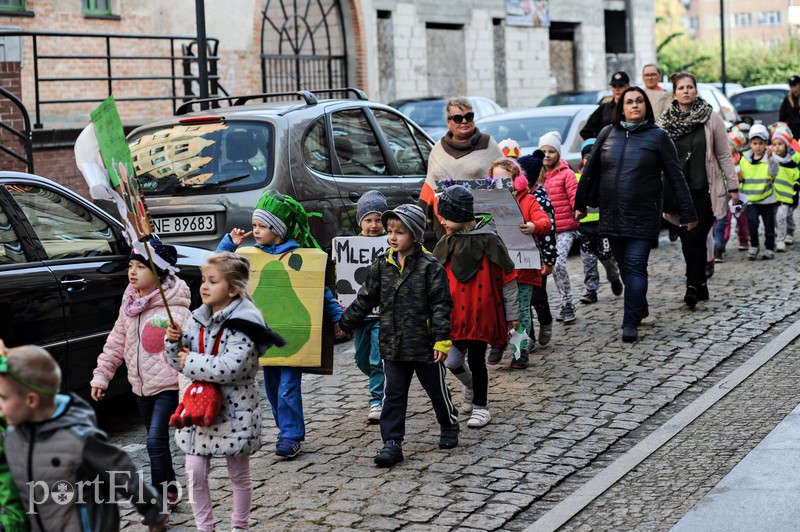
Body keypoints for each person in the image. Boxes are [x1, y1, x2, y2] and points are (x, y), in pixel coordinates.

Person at [217, 189, 343, 459]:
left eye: (262, 226)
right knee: (273, 390)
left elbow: (319, 292)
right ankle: (284, 428)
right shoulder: (251, 258)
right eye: (254, 225)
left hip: (293, 338)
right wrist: (230, 242)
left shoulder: (301, 257)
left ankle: (290, 435)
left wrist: (340, 319)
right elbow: (219, 267)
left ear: (278, 229)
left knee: (287, 388)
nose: (257, 231)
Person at [165, 252, 284, 532]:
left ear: (232, 289)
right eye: (204, 280)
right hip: (199, 409)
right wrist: (173, 343)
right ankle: (205, 528)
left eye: (213, 281)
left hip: (234, 409)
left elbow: (233, 367)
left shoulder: (246, 323)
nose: (204, 286)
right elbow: (178, 362)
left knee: (238, 474)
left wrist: (190, 361)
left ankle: (239, 526)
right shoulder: (197, 319)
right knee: (194, 473)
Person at [336, 205, 458, 467]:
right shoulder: (382, 265)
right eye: (390, 231)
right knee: (392, 395)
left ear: (414, 235)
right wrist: (345, 323)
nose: (392, 237)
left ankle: (448, 423)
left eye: (399, 232)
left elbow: (441, 305)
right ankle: (392, 443)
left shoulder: (429, 267)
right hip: (392, 344)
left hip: (425, 345)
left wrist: (441, 340)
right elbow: (366, 298)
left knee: (436, 391)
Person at [0, 344, 168, 532]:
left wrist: (153, 510)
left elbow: (121, 472)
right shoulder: (11, 437)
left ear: (31, 400)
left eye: (3, 397)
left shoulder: (78, 438)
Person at [575, 86, 697, 342]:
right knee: (624, 266)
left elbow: (676, 177)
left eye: (639, 101)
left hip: (643, 215)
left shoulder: (658, 137)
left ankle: (629, 323)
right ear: (621, 108)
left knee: (635, 266)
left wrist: (687, 212)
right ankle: (638, 306)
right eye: (629, 102)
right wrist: (580, 203)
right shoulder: (608, 133)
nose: (634, 105)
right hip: (611, 214)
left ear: (646, 106)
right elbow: (590, 171)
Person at [90, 239, 191, 511]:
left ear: (158, 273)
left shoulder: (175, 309)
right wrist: (102, 376)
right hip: (140, 388)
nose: (132, 272)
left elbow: (190, 346)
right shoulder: (130, 307)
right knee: (155, 441)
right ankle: (170, 485)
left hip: (168, 386)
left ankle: (158, 498)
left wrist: (178, 337)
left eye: (140, 267)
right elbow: (115, 344)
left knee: (155, 439)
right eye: (130, 266)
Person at [433, 185, 520, 427]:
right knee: (451, 361)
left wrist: (513, 314)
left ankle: (481, 406)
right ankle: (469, 386)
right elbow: (434, 279)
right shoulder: (447, 241)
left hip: (481, 314)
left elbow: (507, 280)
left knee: (477, 361)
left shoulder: (489, 241)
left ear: (461, 215)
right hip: (453, 317)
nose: (443, 221)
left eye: (447, 216)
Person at [657, 71, 738, 308]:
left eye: (690, 87)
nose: (686, 91)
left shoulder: (711, 119)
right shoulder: (664, 123)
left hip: (705, 189)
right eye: (681, 88)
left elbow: (723, 154)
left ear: (696, 90)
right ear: (674, 93)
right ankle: (701, 282)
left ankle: (691, 285)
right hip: (676, 192)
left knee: (697, 236)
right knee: (685, 239)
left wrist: (733, 186)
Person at [489, 157, 551, 369]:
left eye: (505, 181)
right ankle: (498, 342)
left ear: (517, 181)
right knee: (496, 308)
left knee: (522, 310)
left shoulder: (528, 200)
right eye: (495, 181)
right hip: (497, 267)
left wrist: (533, 226)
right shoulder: (488, 202)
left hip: (523, 268)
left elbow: (545, 221)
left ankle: (519, 351)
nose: (500, 185)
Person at [418, 96, 503, 238]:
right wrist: (421, 220)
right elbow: (430, 187)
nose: (464, 121)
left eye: (468, 117)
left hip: (483, 224)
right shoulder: (439, 149)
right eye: (458, 118)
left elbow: (506, 179)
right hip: (446, 225)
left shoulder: (488, 144)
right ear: (448, 122)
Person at [353, 190, 388, 422]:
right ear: (360, 223)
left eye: (378, 220)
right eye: (368, 220)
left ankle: (377, 399)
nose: (373, 225)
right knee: (361, 359)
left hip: (381, 316)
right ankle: (385, 377)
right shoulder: (351, 247)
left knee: (377, 358)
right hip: (360, 315)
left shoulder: (391, 245)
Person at [575, 139, 623, 304]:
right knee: (588, 261)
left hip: (604, 227)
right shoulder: (577, 178)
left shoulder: (607, 177)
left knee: (607, 258)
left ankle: (614, 277)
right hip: (585, 228)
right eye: (587, 156)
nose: (590, 159)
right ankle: (591, 290)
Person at [539, 131, 580, 322]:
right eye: (543, 151)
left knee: (559, 264)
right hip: (545, 231)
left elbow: (574, 195)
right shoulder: (537, 176)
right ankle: (564, 304)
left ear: (558, 154)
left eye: (551, 151)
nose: (547, 155)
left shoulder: (567, 174)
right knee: (550, 268)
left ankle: (568, 304)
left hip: (565, 229)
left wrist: (578, 209)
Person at [518, 153, 558, 347]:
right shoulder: (515, 199)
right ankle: (529, 337)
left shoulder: (541, 201)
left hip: (538, 257)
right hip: (520, 257)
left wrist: (548, 260)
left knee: (538, 296)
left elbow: (549, 233)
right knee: (523, 299)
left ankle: (546, 321)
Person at [740, 124, 778, 260]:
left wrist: (771, 158)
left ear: (766, 144)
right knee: (752, 223)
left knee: (769, 226)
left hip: (767, 199)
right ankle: (754, 245)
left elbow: (774, 172)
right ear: (750, 143)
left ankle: (769, 248)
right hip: (751, 200)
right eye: (754, 143)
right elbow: (740, 176)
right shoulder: (744, 160)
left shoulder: (769, 159)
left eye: (761, 143)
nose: (757, 146)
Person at [713, 130, 749, 259]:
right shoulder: (719, 158)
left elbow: (746, 175)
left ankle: (744, 239)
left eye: (730, 144)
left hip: (738, 196)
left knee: (741, 218)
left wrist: (741, 178)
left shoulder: (741, 160)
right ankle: (721, 243)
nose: (727, 147)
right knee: (725, 219)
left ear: (736, 147)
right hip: (724, 195)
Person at [770, 127, 800, 251]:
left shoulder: (792, 164)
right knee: (776, 218)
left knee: (783, 216)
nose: (777, 147)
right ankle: (780, 235)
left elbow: (796, 182)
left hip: (786, 197)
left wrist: (795, 199)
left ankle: (784, 237)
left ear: (786, 146)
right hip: (772, 196)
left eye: (780, 144)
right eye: (775, 144)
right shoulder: (771, 161)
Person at [580, 71, 630, 140]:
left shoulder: (633, 108)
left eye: (620, 86)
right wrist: (598, 145)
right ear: (611, 88)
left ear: (627, 87)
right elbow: (586, 132)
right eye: (614, 86)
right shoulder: (604, 108)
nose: (617, 89)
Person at [778, 75, 800, 141]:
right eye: (791, 86)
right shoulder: (787, 99)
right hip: (792, 130)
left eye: (794, 85)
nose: (792, 88)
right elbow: (782, 116)